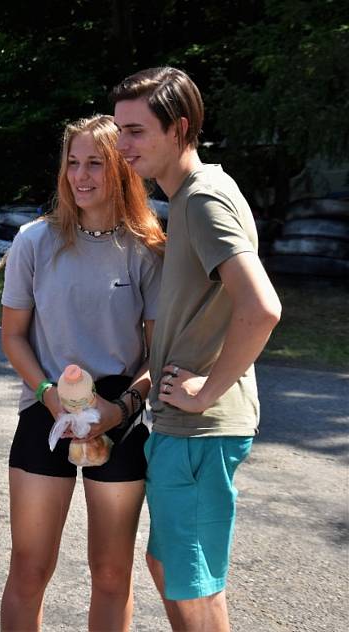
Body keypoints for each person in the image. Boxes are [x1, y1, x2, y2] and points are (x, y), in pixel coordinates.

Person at [111, 67, 281, 631]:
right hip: (185, 431)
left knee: (193, 582)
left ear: (180, 128)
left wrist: (206, 391)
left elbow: (263, 307)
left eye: (135, 131)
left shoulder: (203, 200)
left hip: (201, 433)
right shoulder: (190, 197)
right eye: (119, 130)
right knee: (171, 566)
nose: (122, 145)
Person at [0, 115, 165, 632]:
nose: (81, 175)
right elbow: (13, 337)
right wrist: (48, 395)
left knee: (112, 574)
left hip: (119, 413)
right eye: (73, 162)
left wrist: (120, 410)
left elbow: (156, 358)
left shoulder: (147, 246)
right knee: (29, 568)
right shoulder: (34, 241)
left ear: (122, 169)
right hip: (45, 407)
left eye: (95, 162)